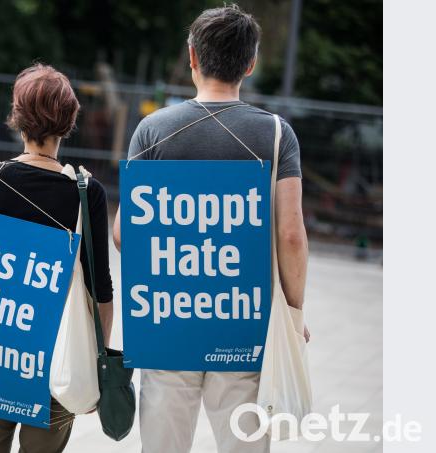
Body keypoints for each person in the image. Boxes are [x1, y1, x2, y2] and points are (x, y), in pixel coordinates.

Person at [112, 5, 309, 453]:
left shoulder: (152, 130)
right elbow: (292, 236)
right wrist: (293, 315)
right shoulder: (277, 135)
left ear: (192, 58)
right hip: (244, 318)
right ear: (251, 63)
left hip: (168, 317)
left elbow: (126, 233)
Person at [0, 64, 115, 453]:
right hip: (59, 356)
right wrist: (98, 362)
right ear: (69, 121)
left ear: (17, 117)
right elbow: (99, 287)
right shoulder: (86, 192)